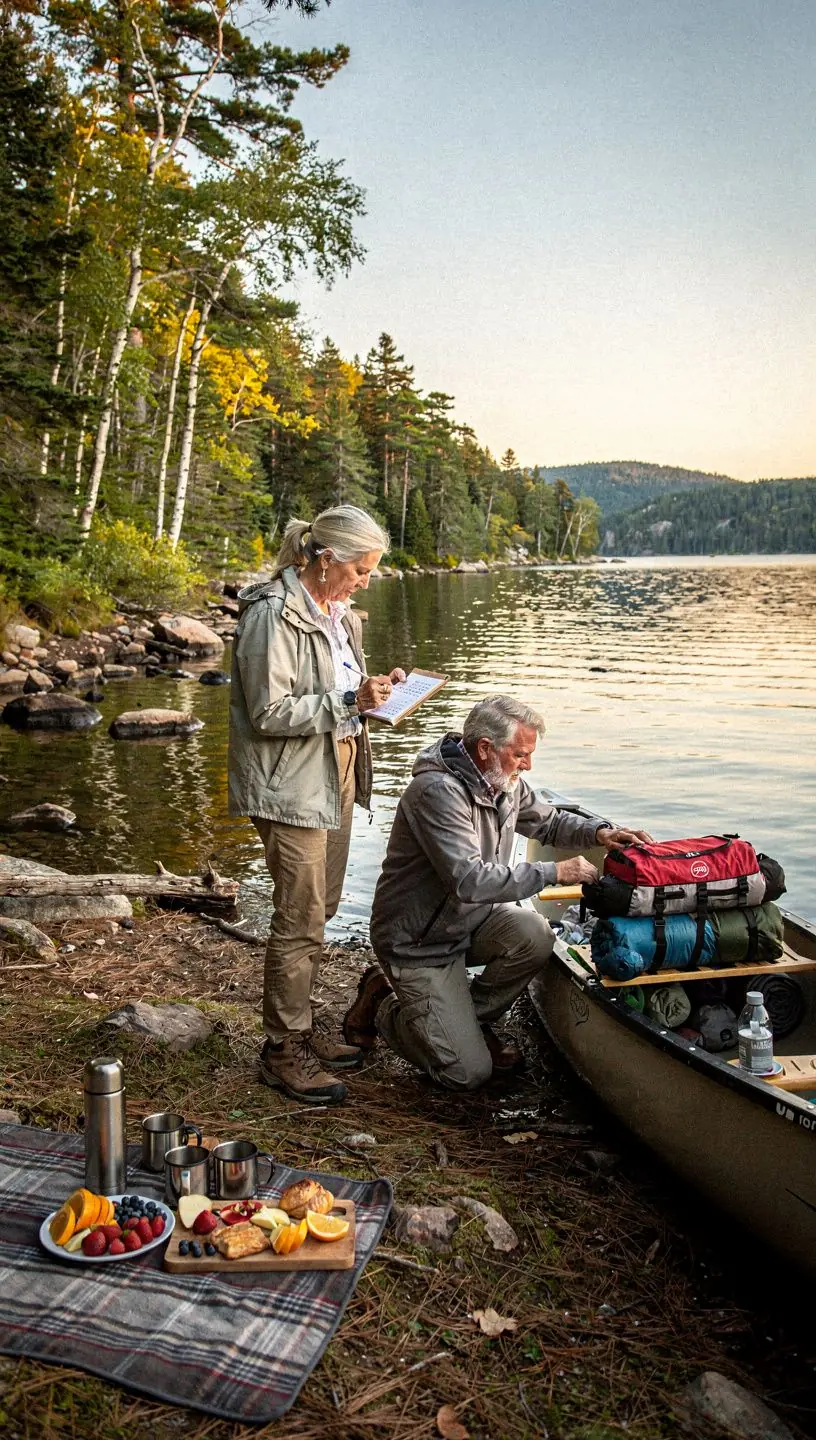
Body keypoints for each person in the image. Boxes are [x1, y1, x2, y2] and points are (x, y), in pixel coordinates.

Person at [343, 694, 652, 1091]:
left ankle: (468, 1023)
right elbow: (470, 880)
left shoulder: (501, 781)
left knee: (536, 934)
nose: (528, 765)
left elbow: (549, 823)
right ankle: (383, 1002)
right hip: (419, 941)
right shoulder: (437, 792)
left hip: (469, 921)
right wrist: (555, 872)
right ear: (486, 748)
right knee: (465, 1073)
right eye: (520, 755)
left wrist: (601, 833)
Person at [228, 504, 404, 1105]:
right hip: (290, 783)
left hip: (338, 769)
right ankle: (283, 1050)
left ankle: (299, 1029)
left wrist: (379, 693)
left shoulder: (340, 614)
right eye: (361, 570)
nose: (366, 581)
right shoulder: (271, 615)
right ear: (326, 559)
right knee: (299, 915)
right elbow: (268, 712)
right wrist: (351, 700)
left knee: (321, 907)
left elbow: (339, 691)